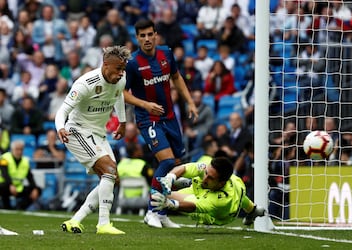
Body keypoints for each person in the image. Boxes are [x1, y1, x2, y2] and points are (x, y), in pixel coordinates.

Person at [124, 19, 198, 228]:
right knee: (166, 162)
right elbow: (121, 93)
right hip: (148, 119)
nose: (147, 39)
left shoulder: (166, 53)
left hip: (170, 117)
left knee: (175, 165)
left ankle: (163, 213)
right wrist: (145, 105)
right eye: (142, 36)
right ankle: (151, 212)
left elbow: (177, 77)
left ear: (155, 35)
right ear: (137, 38)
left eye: (150, 34)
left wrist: (190, 102)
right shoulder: (132, 63)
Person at [55, 45, 131, 235]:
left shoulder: (120, 79)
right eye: (118, 69)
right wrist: (60, 128)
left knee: (112, 177)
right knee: (109, 170)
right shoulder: (85, 83)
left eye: (123, 69)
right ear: (105, 65)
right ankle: (103, 224)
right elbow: (62, 111)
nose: (121, 73)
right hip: (77, 131)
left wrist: (122, 122)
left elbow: (119, 96)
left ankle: (75, 220)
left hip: (98, 133)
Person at [150, 157, 265, 226]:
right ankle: (253, 209)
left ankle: (186, 184)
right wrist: (171, 176)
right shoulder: (209, 169)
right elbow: (185, 167)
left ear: (222, 183)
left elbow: (194, 206)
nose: (205, 178)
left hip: (216, 214)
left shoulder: (222, 201)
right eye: (206, 174)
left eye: (210, 178)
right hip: (229, 189)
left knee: (164, 195)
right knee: (240, 195)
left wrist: (171, 204)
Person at [0, 140, 41, 210]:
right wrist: (10, 184)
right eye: (17, 149)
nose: (19, 152)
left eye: (21, 149)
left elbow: (30, 177)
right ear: (12, 150)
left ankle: (20, 207)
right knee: (4, 187)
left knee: (37, 190)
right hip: (4, 185)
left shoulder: (25, 161)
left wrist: (35, 188)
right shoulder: (4, 158)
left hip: (18, 187)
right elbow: (5, 174)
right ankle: (6, 207)